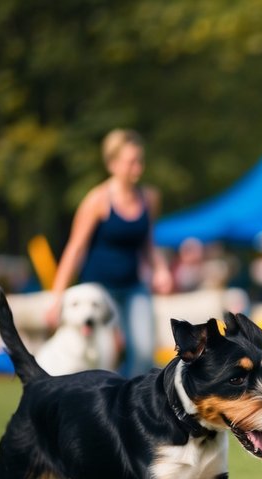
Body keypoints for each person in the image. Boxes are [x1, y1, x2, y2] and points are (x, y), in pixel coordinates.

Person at [46, 129, 172, 376]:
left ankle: (127, 402)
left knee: (144, 351)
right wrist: (57, 297)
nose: (138, 167)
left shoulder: (148, 199)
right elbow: (75, 248)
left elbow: (147, 242)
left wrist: (160, 270)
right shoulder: (97, 200)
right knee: (106, 354)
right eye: (131, 162)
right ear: (113, 164)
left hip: (133, 287)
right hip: (99, 293)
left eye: (140, 160)